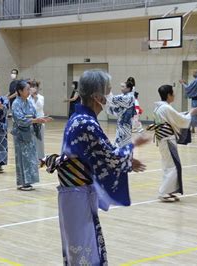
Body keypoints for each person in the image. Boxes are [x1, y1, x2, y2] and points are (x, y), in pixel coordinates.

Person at [40, 70, 147, 265]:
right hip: (77, 193)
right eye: (108, 92)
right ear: (97, 97)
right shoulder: (86, 123)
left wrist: (128, 157)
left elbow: (99, 154)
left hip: (75, 192)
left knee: (81, 246)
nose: (110, 97)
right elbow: (110, 157)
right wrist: (133, 148)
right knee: (85, 249)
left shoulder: (78, 119)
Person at [147, 85, 197, 202]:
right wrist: (190, 113)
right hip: (167, 139)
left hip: (163, 139)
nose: (174, 95)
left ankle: (168, 191)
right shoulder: (165, 108)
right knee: (173, 165)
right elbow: (180, 119)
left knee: (168, 165)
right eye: (173, 93)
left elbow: (174, 116)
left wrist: (187, 113)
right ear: (169, 95)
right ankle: (163, 192)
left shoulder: (160, 107)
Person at [11, 80, 52, 191]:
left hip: (30, 133)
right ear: (20, 91)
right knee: (23, 158)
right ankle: (23, 182)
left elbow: (34, 115)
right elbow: (20, 120)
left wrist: (41, 120)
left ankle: (29, 181)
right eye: (27, 89)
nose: (29, 91)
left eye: (30, 89)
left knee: (30, 157)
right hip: (20, 134)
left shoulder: (29, 102)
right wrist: (35, 120)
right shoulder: (16, 103)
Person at [105, 81, 136, 147]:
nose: (121, 88)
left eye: (123, 87)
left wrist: (108, 91)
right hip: (122, 123)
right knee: (120, 143)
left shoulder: (129, 97)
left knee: (122, 143)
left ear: (128, 88)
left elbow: (112, 99)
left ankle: (123, 155)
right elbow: (114, 102)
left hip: (125, 125)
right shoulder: (125, 96)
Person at [180, 68, 197, 134]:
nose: (193, 73)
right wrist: (186, 83)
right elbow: (191, 87)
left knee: (194, 114)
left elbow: (188, 88)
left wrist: (183, 83)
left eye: (194, 72)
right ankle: (194, 129)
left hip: (196, 99)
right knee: (195, 114)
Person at [28, 79, 46, 160]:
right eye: (31, 87)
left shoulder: (41, 97)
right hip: (31, 121)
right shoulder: (27, 98)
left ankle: (41, 158)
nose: (33, 89)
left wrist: (35, 98)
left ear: (37, 88)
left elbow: (39, 106)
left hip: (40, 121)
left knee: (40, 141)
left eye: (35, 87)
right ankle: (32, 157)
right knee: (31, 141)